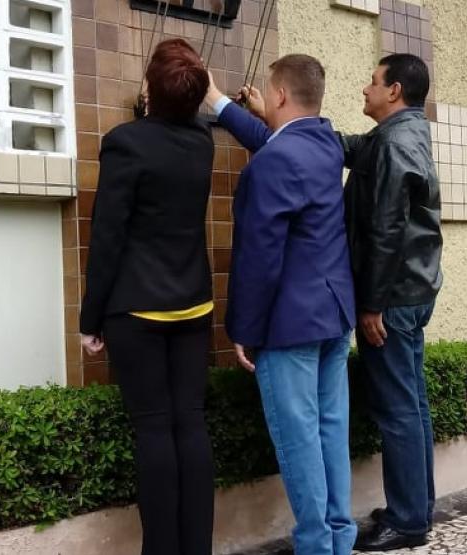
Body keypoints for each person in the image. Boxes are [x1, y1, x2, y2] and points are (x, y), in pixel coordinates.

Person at [204, 54, 358, 555]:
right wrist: (221, 103)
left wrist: (243, 329)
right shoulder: (327, 145)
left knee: (299, 441)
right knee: (331, 431)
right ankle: (339, 537)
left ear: (280, 96)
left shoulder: (273, 162)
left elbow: (259, 256)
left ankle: (316, 546)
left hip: (289, 326)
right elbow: (277, 142)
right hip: (335, 317)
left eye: (270, 94)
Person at [78, 38, 215, 555]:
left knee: (155, 429)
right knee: (190, 424)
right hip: (194, 305)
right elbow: (173, 128)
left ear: (149, 90)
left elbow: (108, 235)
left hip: (137, 310)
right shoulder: (203, 143)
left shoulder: (124, 143)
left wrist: (90, 319)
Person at [341, 53, 444, 551]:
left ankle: (406, 521)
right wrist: (272, 118)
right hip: (415, 291)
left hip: (393, 298)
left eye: (373, 81)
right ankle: (417, 507)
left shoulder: (395, 144)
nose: (365, 88)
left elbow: (385, 231)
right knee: (415, 406)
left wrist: (370, 305)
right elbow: (355, 147)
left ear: (394, 90)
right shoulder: (403, 134)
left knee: (398, 410)